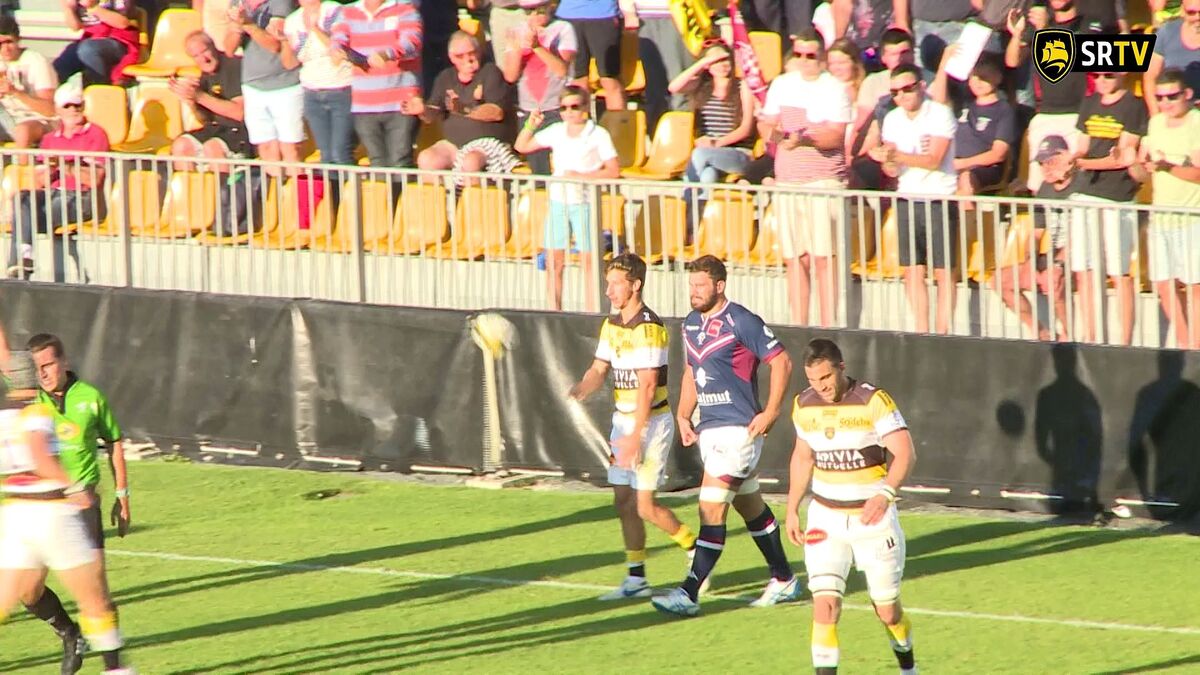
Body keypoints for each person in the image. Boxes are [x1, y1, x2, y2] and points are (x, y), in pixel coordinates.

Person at [650, 255, 802, 617]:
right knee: (750, 505)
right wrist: (684, 414)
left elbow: (781, 361)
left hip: (738, 431)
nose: (694, 292)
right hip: (710, 431)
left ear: (720, 285)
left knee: (710, 507)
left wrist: (772, 411)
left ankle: (689, 593)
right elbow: (691, 373)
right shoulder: (689, 325)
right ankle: (783, 578)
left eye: (701, 285)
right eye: (691, 285)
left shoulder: (741, 320)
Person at [568, 252, 700, 600]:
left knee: (645, 506)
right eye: (607, 283)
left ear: (635, 285)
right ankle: (637, 578)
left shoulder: (649, 329)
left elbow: (646, 386)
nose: (609, 290)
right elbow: (599, 369)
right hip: (623, 422)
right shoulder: (611, 325)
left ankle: (695, 550)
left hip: (651, 424)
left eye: (615, 284)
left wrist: (634, 438)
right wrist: (582, 386)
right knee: (623, 503)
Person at [784, 338, 917, 675]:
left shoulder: (874, 401)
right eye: (813, 380)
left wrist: (885, 494)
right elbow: (803, 457)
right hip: (824, 519)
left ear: (841, 368)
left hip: (873, 521)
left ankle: (908, 667)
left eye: (826, 378)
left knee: (887, 612)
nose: (820, 387)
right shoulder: (803, 404)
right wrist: (791, 509)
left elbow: (905, 452)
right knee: (825, 606)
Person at [0, 351, 132, 674]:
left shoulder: (2, 416)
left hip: (16, 514)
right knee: (94, 598)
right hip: (51, 513)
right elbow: (40, 457)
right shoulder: (36, 412)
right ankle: (116, 670)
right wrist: (73, 487)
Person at [758, 30, 853, 329]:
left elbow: (836, 135)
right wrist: (779, 136)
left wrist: (805, 139)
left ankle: (829, 328)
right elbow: (766, 125)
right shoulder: (782, 84)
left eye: (810, 55)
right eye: (797, 54)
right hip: (788, 183)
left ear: (822, 58)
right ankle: (799, 326)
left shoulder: (834, 88)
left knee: (825, 258)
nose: (803, 61)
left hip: (822, 184)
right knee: (794, 258)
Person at [870, 63, 959, 335]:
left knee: (944, 272)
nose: (901, 96)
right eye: (895, 91)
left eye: (907, 89)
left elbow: (934, 160)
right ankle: (921, 329)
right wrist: (886, 160)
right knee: (912, 269)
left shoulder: (940, 113)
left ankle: (943, 331)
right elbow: (893, 169)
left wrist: (895, 156)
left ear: (921, 86)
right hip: (907, 197)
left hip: (939, 197)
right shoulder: (893, 118)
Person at [514, 85, 618, 312]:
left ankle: (593, 312)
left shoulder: (598, 134)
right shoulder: (556, 130)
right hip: (558, 202)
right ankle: (555, 312)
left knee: (590, 263)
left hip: (585, 203)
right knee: (554, 262)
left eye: (574, 106)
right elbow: (521, 146)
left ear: (585, 108)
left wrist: (583, 176)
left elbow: (613, 170)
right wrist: (531, 125)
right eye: (563, 107)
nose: (569, 112)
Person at [1069, 71, 1146, 346]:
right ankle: (1090, 336)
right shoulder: (1089, 102)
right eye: (1096, 74)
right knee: (1084, 268)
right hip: (1084, 192)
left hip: (1117, 197)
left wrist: (1082, 163)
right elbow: (1082, 146)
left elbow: (1124, 157)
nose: (1101, 79)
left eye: (1108, 74)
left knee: (1119, 271)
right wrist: (1070, 160)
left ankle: (1124, 341)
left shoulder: (1134, 105)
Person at [7, 76, 107, 281]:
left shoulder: (96, 134)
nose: (73, 109)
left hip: (81, 197)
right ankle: (24, 257)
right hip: (52, 195)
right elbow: (39, 182)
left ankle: (18, 266)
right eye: (67, 105)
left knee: (24, 216)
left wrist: (66, 166)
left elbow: (93, 179)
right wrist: (52, 169)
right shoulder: (50, 139)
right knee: (22, 199)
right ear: (58, 110)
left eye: (77, 104)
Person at [1132, 68, 1200, 349]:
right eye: (1160, 97)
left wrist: (1167, 166)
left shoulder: (1196, 122)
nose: (1166, 103)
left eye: (1172, 96)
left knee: (1195, 287)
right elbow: (1142, 174)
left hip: (1192, 218)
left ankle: (1196, 347)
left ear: (1187, 94)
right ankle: (1186, 345)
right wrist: (1133, 164)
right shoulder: (1155, 123)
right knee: (1163, 284)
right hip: (1162, 219)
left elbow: (1197, 173)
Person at [992, 135, 1073, 342]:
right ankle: (1040, 332)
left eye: (1051, 162)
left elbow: (1079, 236)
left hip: (1077, 257)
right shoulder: (1045, 189)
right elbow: (1035, 234)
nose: (1046, 168)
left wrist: (1057, 264)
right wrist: (1031, 260)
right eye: (1041, 163)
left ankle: (1068, 336)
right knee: (1000, 280)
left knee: (1052, 279)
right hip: (1053, 256)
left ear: (1065, 159)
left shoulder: (1080, 187)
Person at [414, 32, 520, 184]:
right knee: (427, 159)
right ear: (451, 58)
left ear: (479, 52)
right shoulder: (446, 77)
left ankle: (474, 207)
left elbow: (497, 113)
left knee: (470, 161)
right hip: (454, 144)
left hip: (488, 143)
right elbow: (432, 113)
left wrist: (464, 110)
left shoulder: (490, 72)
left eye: (472, 53)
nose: (467, 59)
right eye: (460, 56)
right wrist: (422, 110)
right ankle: (444, 206)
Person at [671, 41, 756, 228]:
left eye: (725, 59)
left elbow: (746, 127)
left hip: (738, 152)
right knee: (707, 176)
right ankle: (696, 229)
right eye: (716, 61)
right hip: (709, 157)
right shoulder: (702, 88)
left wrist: (716, 143)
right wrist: (702, 63)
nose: (723, 64)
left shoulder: (743, 87)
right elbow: (674, 87)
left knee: (699, 155)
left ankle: (684, 208)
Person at [330, 0, 423, 167]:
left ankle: (401, 193)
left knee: (400, 161)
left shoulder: (405, 9)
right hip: (364, 104)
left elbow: (412, 41)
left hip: (400, 103)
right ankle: (382, 194)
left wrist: (388, 53)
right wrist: (336, 49)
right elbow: (338, 36)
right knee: (377, 162)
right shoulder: (347, 12)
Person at [225, 0, 304, 175]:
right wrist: (237, 27)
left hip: (285, 85)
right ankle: (276, 198)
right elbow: (229, 49)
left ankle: (297, 199)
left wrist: (248, 24)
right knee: (266, 148)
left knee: (290, 150)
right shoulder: (237, 3)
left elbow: (274, 45)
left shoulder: (280, 3)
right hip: (253, 86)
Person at [501, 0, 577, 175]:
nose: (534, 14)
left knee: (562, 166)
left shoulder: (563, 28)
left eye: (539, 9)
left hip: (558, 109)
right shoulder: (517, 31)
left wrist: (537, 47)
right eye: (529, 11)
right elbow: (510, 76)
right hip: (530, 111)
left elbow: (561, 70)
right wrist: (516, 49)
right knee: (538, 170)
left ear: (550, 6)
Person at [281, 0, 355, 166]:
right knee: (326, 154)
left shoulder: (333, 10)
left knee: (340, 152)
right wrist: (284, 41)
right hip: (312, 92)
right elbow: (289, 63)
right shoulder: (292, 20)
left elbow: (339, 51)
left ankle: (347, 191)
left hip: (341, 89)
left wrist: (314, 29)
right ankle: (333, 191)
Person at [169, 31, 250, 171]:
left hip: (242, 130)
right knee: (181, 145)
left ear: (213, 46)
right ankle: (191, 192)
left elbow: (240, 113)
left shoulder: (233, 66)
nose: (203, 59)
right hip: (216, 129)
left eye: (204, 51)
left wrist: (200, 96)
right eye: (196, 56)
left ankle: (223, 191)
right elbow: (205, 119)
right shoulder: (204, 75)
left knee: (212, 147)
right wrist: (191, 102)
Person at [0, 16, 58, 149]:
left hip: (38, 120)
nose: (5, 49)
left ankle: (21, 168)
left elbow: (50, 110)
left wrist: (15, 92)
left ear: (18, 39)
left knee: (22, 131)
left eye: (9, 42)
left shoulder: (36, 62)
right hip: (7, 117)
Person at [557, 0, 626, 111]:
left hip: (604, 15)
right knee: (578, 80)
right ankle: (581, 124)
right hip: (569, 15)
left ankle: (617, 126)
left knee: (609, 78)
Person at [54, 0, 139, 86]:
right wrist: (68, 9)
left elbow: (122, 24)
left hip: (120, 41)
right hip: (91, 38)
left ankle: (100, 90)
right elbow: (75, 27)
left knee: (89, 49)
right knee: (69, 55)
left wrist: (93, 7)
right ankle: (51, 91)